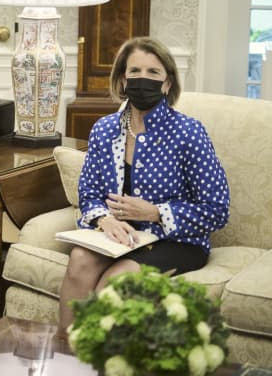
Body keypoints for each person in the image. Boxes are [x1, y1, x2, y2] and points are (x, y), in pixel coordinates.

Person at [57, 37, 230, 334]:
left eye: (153, 72)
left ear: (167, 84)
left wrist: (155, 212)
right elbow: (88, 192)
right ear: (123, 79)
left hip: (176, 243)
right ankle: (64, 359)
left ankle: (95, 358)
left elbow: (217, 210)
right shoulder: (104, 129)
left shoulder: (189, 132)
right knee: (79, 260)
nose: (142, 79)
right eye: (134, 71)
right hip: (120, 236)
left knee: (116, 282)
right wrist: (104, 219)